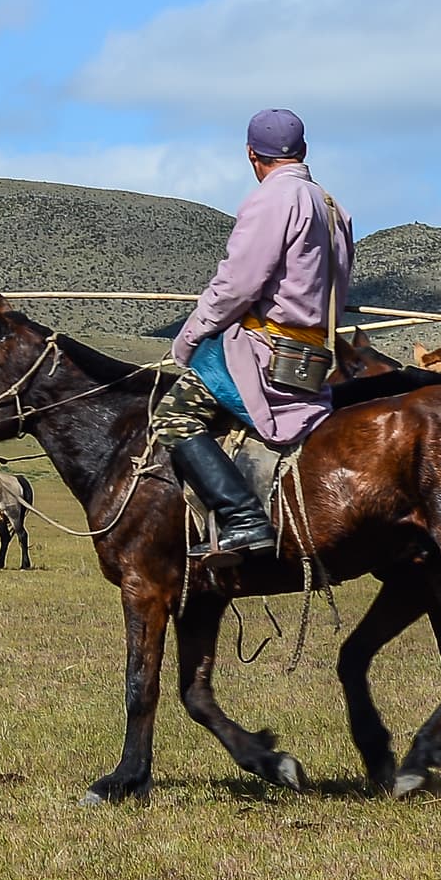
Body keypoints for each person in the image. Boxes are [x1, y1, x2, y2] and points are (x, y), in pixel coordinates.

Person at [158, 109, 355, 557]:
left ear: (251, 154)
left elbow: (237, 284)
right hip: (313, 359)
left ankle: (244, 518)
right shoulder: (332, 207)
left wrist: (189, 338)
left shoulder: (271, 201)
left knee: (171, 416)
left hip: (265, 354)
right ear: (303, 151)